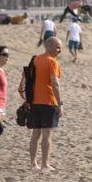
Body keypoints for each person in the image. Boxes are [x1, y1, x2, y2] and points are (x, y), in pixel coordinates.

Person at [29, 37, 64, 170]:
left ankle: (33, 163)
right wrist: (60, 104)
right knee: (47, 135)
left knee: (35, 134)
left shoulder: (35, 59)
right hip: (48, 102)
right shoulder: (52, 62)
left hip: (35, 102)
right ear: (49, 46)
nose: (60, 50)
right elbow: (55, 83)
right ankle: (45, 164)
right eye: (58, 47)